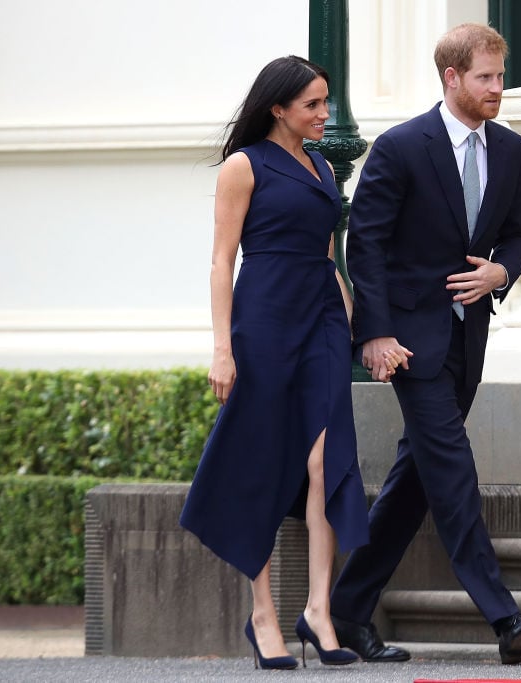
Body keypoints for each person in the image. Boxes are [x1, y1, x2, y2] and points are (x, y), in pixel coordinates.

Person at [329, 24, 521, 666]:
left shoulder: (510, 150)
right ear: (451, 77)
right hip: (409, 341)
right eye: (485, 77)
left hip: (467, 336)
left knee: (418, 478)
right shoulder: (400, 147)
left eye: (501, 77)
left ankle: (346, 611)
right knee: (451, 466)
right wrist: (373, 333)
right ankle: (503, 616)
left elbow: (518, 233)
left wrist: (500, 273)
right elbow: (363, 244)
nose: (497, 89)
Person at [179, 56, 390, 670]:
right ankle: (263, 614)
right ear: (279, 108)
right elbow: (221, 261)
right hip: (266, 317)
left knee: (327, 461)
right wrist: (223, 348)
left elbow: (326, 247)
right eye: (313, 105)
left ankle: (319, 610)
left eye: (327, 102)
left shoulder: (323, 166)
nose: (325, 114)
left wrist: (346, 303)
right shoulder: (244, 168)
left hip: (323, 316)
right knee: (265, 459)